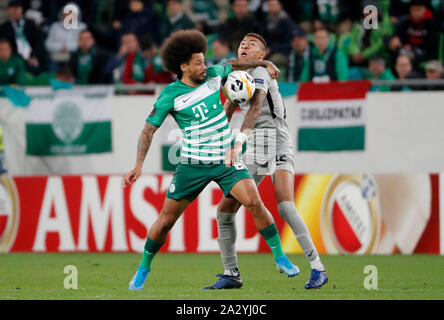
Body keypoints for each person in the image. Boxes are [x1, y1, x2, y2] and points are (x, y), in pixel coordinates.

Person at [122, 29, 299, 290]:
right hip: (192, 164)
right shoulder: (170, 95)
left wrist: (265, 62)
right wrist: (138, 165)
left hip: (225, 159)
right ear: (182, 66)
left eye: (204, 61)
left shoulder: (215, 75)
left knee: (254, 202)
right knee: (166, 221)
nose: (205, 66)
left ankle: (280, 257)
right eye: (198, 63)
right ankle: (143, 268)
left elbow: (236, 63)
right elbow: (148, 130)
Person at [203, 33, 327, 290]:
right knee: (225, 211)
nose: (244, 46)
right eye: (242, 44)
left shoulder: (260, 73)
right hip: (259, 145)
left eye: (252, 45)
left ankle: (317, 267)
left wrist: (237, 142)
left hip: (275, 141)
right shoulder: (239, 76)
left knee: (284, 206)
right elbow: (228, 106)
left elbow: (257, 107)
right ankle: (231, 273)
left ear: (262, 55)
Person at [388, 0, 439, 66]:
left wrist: (412, 47)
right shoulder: (406, 22)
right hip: (407, 50)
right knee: (396, 51)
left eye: (418, 10)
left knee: (406, 57)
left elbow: (432, 45)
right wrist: (396, 39)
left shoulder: (432, 23)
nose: (416, 13)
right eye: (413, 10)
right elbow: (400, 36)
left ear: (425, 9)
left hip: (425, 52)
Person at [0, 0, 45, 74]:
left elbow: (38, 42)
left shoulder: (31, 24)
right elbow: (4, 46)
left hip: (32, 57)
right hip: (14, 59)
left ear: (21, 9)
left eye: (17, 8)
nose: (15, 11)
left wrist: (34, 56)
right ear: (8, 11)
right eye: (12, 9)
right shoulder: (4, 27)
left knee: (34, 68)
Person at [45, 3, 87, 69]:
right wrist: (60, 48)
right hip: (56, 55)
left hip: (74, 57)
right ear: (63, 14)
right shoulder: (55, 26)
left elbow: (81, 44)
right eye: (67, 13)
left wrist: (67, 48)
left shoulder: (82, 27)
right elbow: (48, 44)